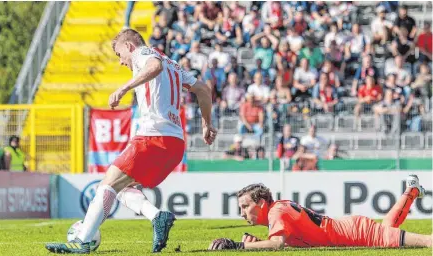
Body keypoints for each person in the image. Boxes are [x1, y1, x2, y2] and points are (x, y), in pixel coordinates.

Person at [45, 29, 216, 254]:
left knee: (106, 185)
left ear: (129, 46)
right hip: (175, 144)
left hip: (153, 137)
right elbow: (203, 90)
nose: (120, 62)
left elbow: (154, 66)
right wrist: (206, 124)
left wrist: (124, 88)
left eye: (119, 55)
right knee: (123, 188)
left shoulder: (143, 54)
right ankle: (157, 216)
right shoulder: (173, 64)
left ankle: (83, 241)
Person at [208, 176, 430, 250]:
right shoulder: (278, 210)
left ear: (262, 202)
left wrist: (240, 246)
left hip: (358, 234)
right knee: (387, 227)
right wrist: (255, 243)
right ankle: (411, 190)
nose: (242, 213)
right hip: (353, 229)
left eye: (245, 206)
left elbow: (276, 245)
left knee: (426, 242)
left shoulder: (277, 213)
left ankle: (411, 190)